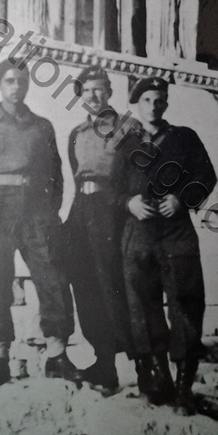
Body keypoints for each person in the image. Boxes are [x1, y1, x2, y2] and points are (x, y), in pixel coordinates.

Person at [0, 60, 80, 385]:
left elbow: (57, 173)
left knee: (53, 278)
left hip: (37, 209)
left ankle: (57, 355)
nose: (16, 87)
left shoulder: (42, 127)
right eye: (10, 81)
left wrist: (51, 213)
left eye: (21, 81)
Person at [120, 77, 216, 414]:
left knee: (185, 304)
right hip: (139, 233)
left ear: (166, 104)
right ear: (137, 104)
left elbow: (206, 177)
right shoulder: (125, 143)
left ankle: (184, 388)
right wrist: (128, 202)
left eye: (159, 100)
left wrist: (181, 198)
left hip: (177, 232)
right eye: (146, 100)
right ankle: (160, 378)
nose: (153, 106)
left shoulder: (184, 138)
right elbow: (111, 187)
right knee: (144, 307)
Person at [64, 66, 134, 389]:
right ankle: (101, 360)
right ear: (81, 96)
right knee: (83, 281)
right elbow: (76, 172)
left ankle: (131, 362)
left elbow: (135, 175)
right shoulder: (76, 134)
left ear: (110, 92)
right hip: (82, 209)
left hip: (111, 208)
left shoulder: (128, 129)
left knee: (112, 282)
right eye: (87, 90)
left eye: (100, 89)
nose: (94, 95)